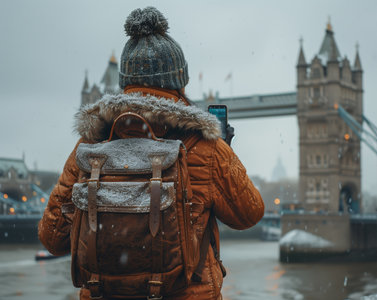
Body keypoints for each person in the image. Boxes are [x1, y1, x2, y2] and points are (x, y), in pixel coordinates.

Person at [38, 6, 264, 300]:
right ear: (179, 81)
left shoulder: (90, 145)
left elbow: (52, 239)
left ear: (123, 83)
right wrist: (225, 155)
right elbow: (249, 214)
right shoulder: (206, 147)